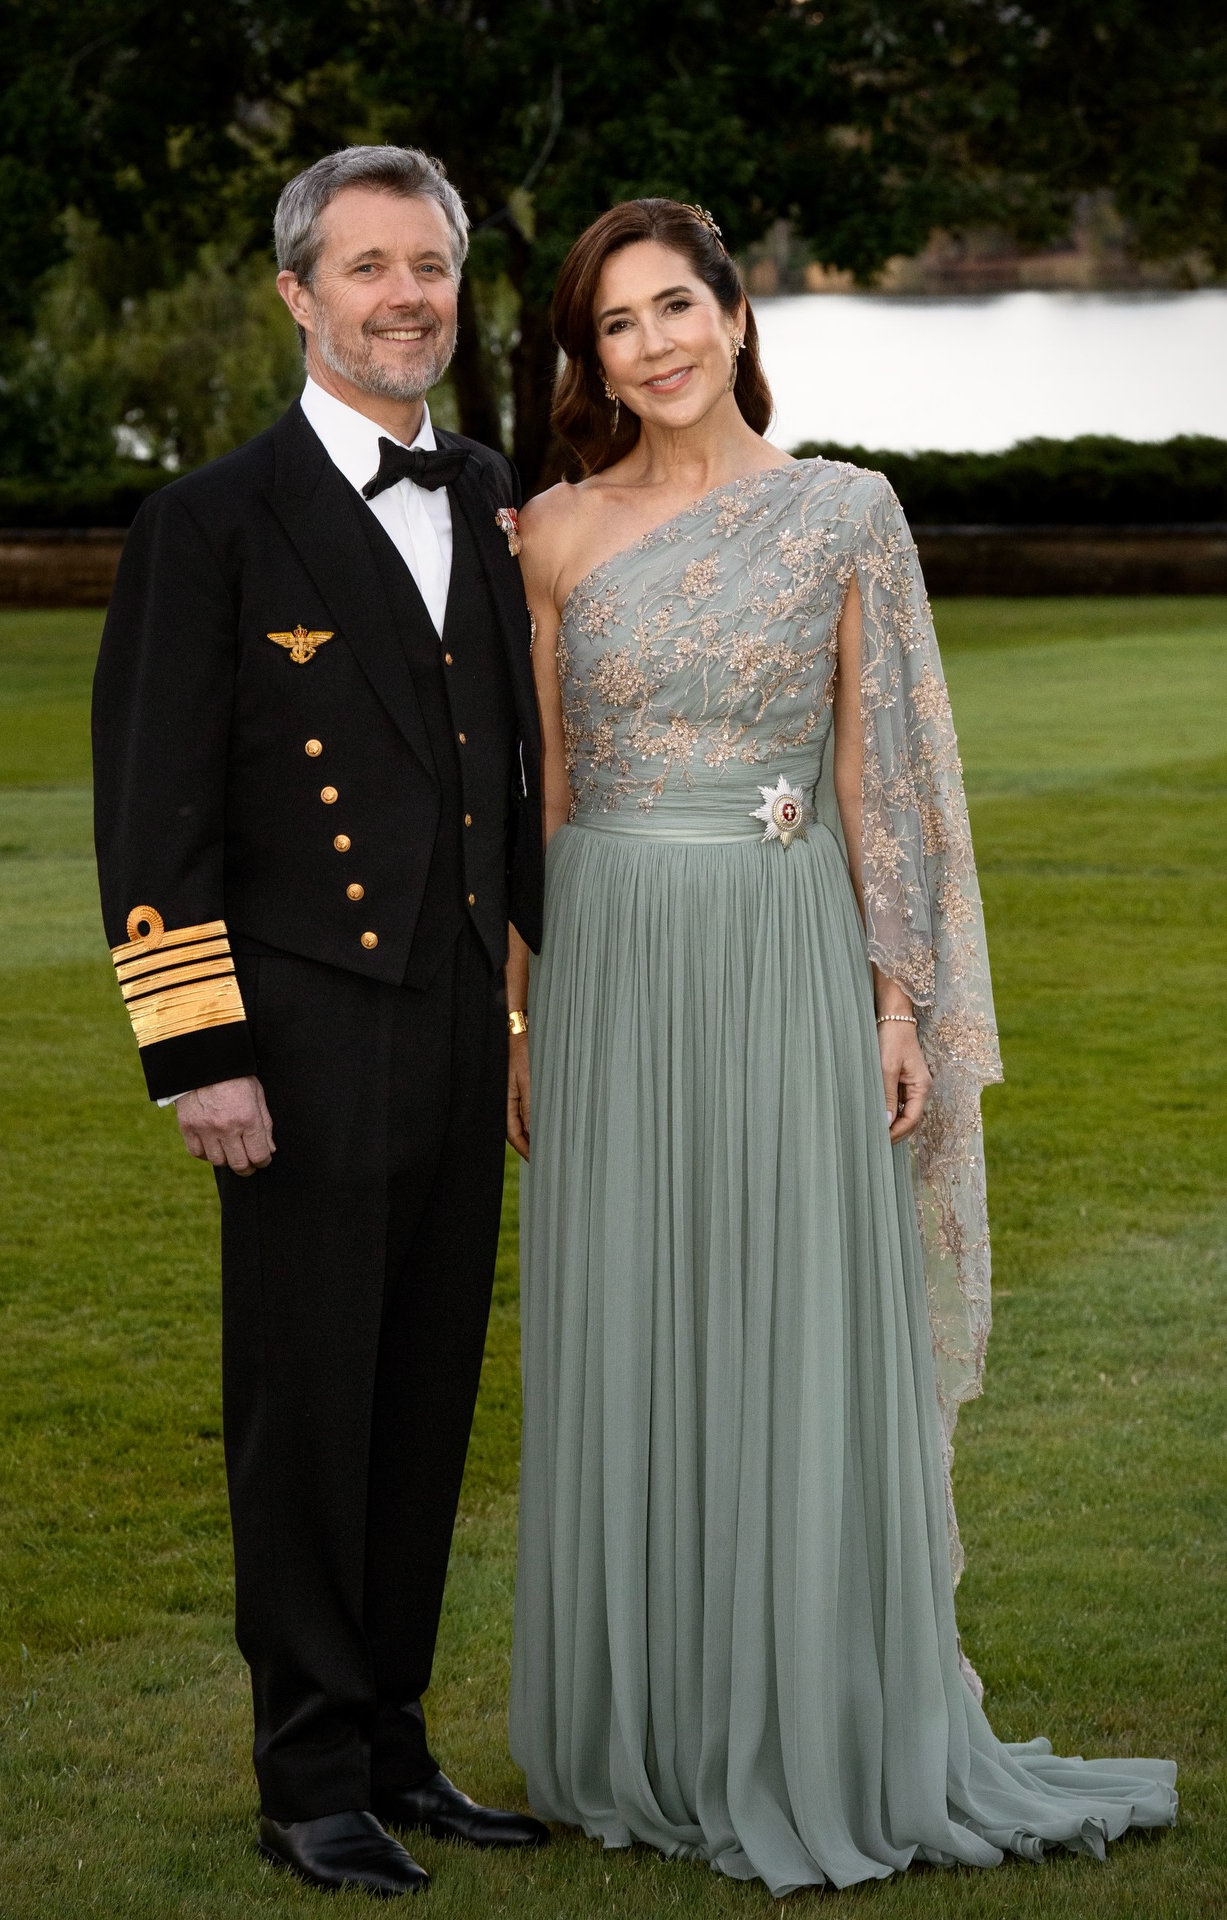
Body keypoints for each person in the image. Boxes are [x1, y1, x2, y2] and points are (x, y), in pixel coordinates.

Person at [504, 197, 1177, 1895]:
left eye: (676, 307)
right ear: (589, 359)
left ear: (737, 317)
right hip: (610, 964)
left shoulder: (848, 512)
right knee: (638, 1318)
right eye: (615, 325)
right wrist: (522, 1012)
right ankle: (647, 1727)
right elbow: (542, 795)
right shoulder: (553, 535)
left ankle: (815, 1714)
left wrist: (898, 1002)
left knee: (797, 1316)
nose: (650, 346)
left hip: (791, 957)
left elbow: (883, 781)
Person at [92, 144, 549, 1898]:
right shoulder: (207, 522)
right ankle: (305, 1774)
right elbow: (155, 825)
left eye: (428, 266)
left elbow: (507, 780)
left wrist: (531, 1005)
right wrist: (198, 1054)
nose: (407, 295)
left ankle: (397, 1739)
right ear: (299, 294)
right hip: (291, 1038)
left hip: (451, 1024)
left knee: (425, 1398)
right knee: (307, 1407)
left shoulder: (491, 490)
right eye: (368, 268)